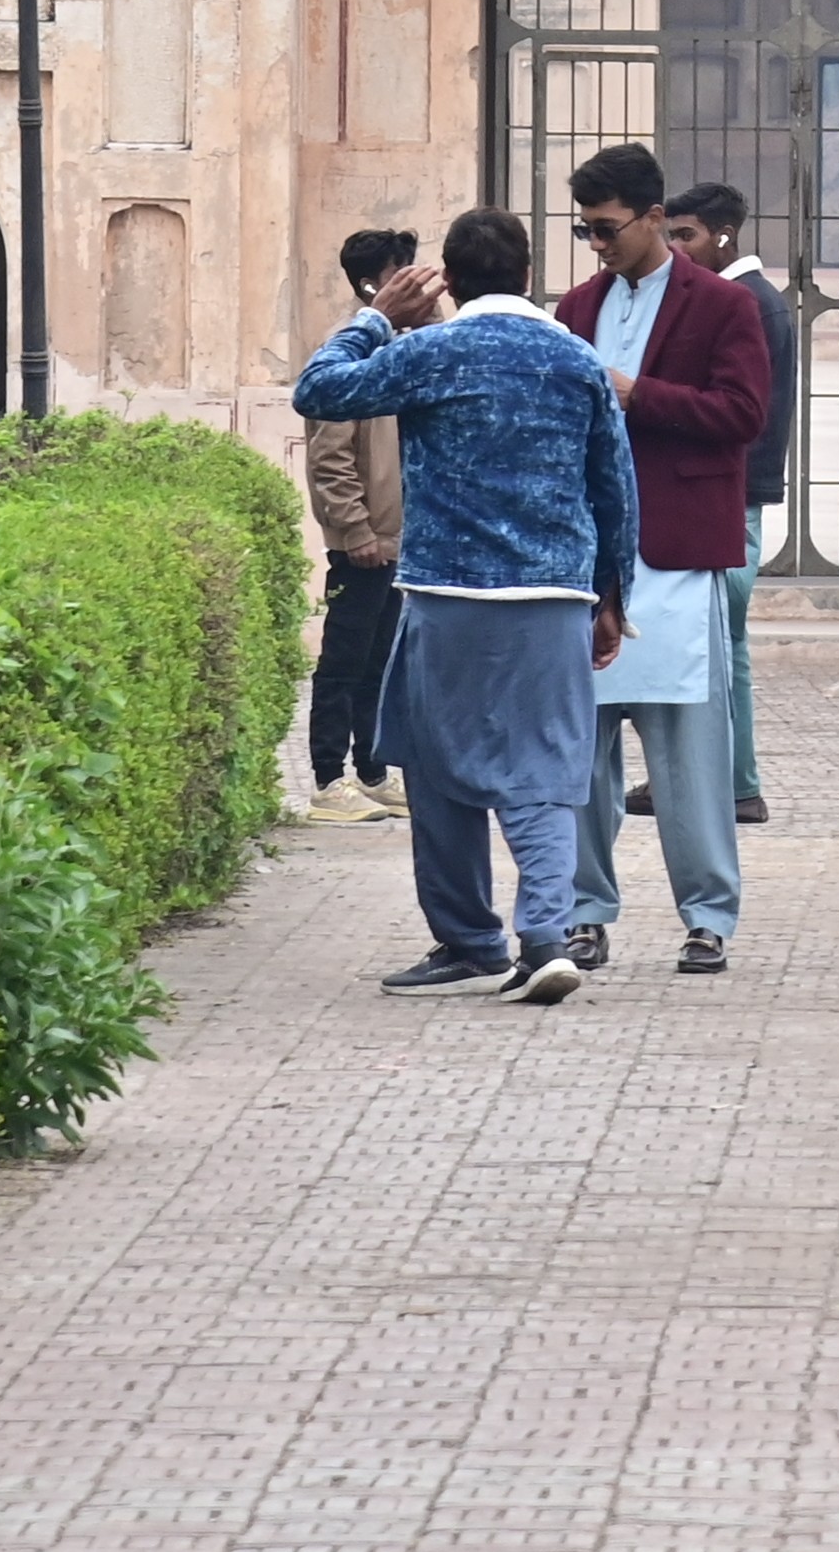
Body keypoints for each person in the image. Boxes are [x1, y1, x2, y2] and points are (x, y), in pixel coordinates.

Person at [293, 205, 632, 1003]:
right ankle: (547, 933)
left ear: (448, 276)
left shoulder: (431, 352)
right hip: (553, 592)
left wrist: (376, 319)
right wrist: (613, 595)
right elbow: (614, 486)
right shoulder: (576, 360)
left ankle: (468, 938)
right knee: (547, 765)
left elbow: (319, 390)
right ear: (525, 273)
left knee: (438, 767)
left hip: (447, 593)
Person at [559, 139, 770, 971]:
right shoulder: (578, 307)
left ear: (653, 217)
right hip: (591, 557)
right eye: (586, 233)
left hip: (678, 551)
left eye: (608, 229)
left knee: (688, 753)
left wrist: (637, 394)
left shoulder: (724, 306)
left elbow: (743, 413)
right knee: (582, 746)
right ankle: (583, 910)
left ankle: (708, 915)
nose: (599, 246)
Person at [669, 179, 795, 825]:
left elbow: (746, 416)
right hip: (734, 496)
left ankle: (730, 782)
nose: (676, 251)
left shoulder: (748, 304)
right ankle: (711, 776)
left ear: (723, 235)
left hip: (733, 499)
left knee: (717, 645)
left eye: (685, 236)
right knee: (714, 645)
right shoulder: (746, 300)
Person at [298, 228, 425, 817]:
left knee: (380, 661)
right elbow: (331, 457)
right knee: (344, 662)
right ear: (373, 285)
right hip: (366, 543)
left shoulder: (402, 348)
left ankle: (372, 769)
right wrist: (355, 532)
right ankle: (328, 780)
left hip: (398, 539)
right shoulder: (346, 353)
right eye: (404, 274)